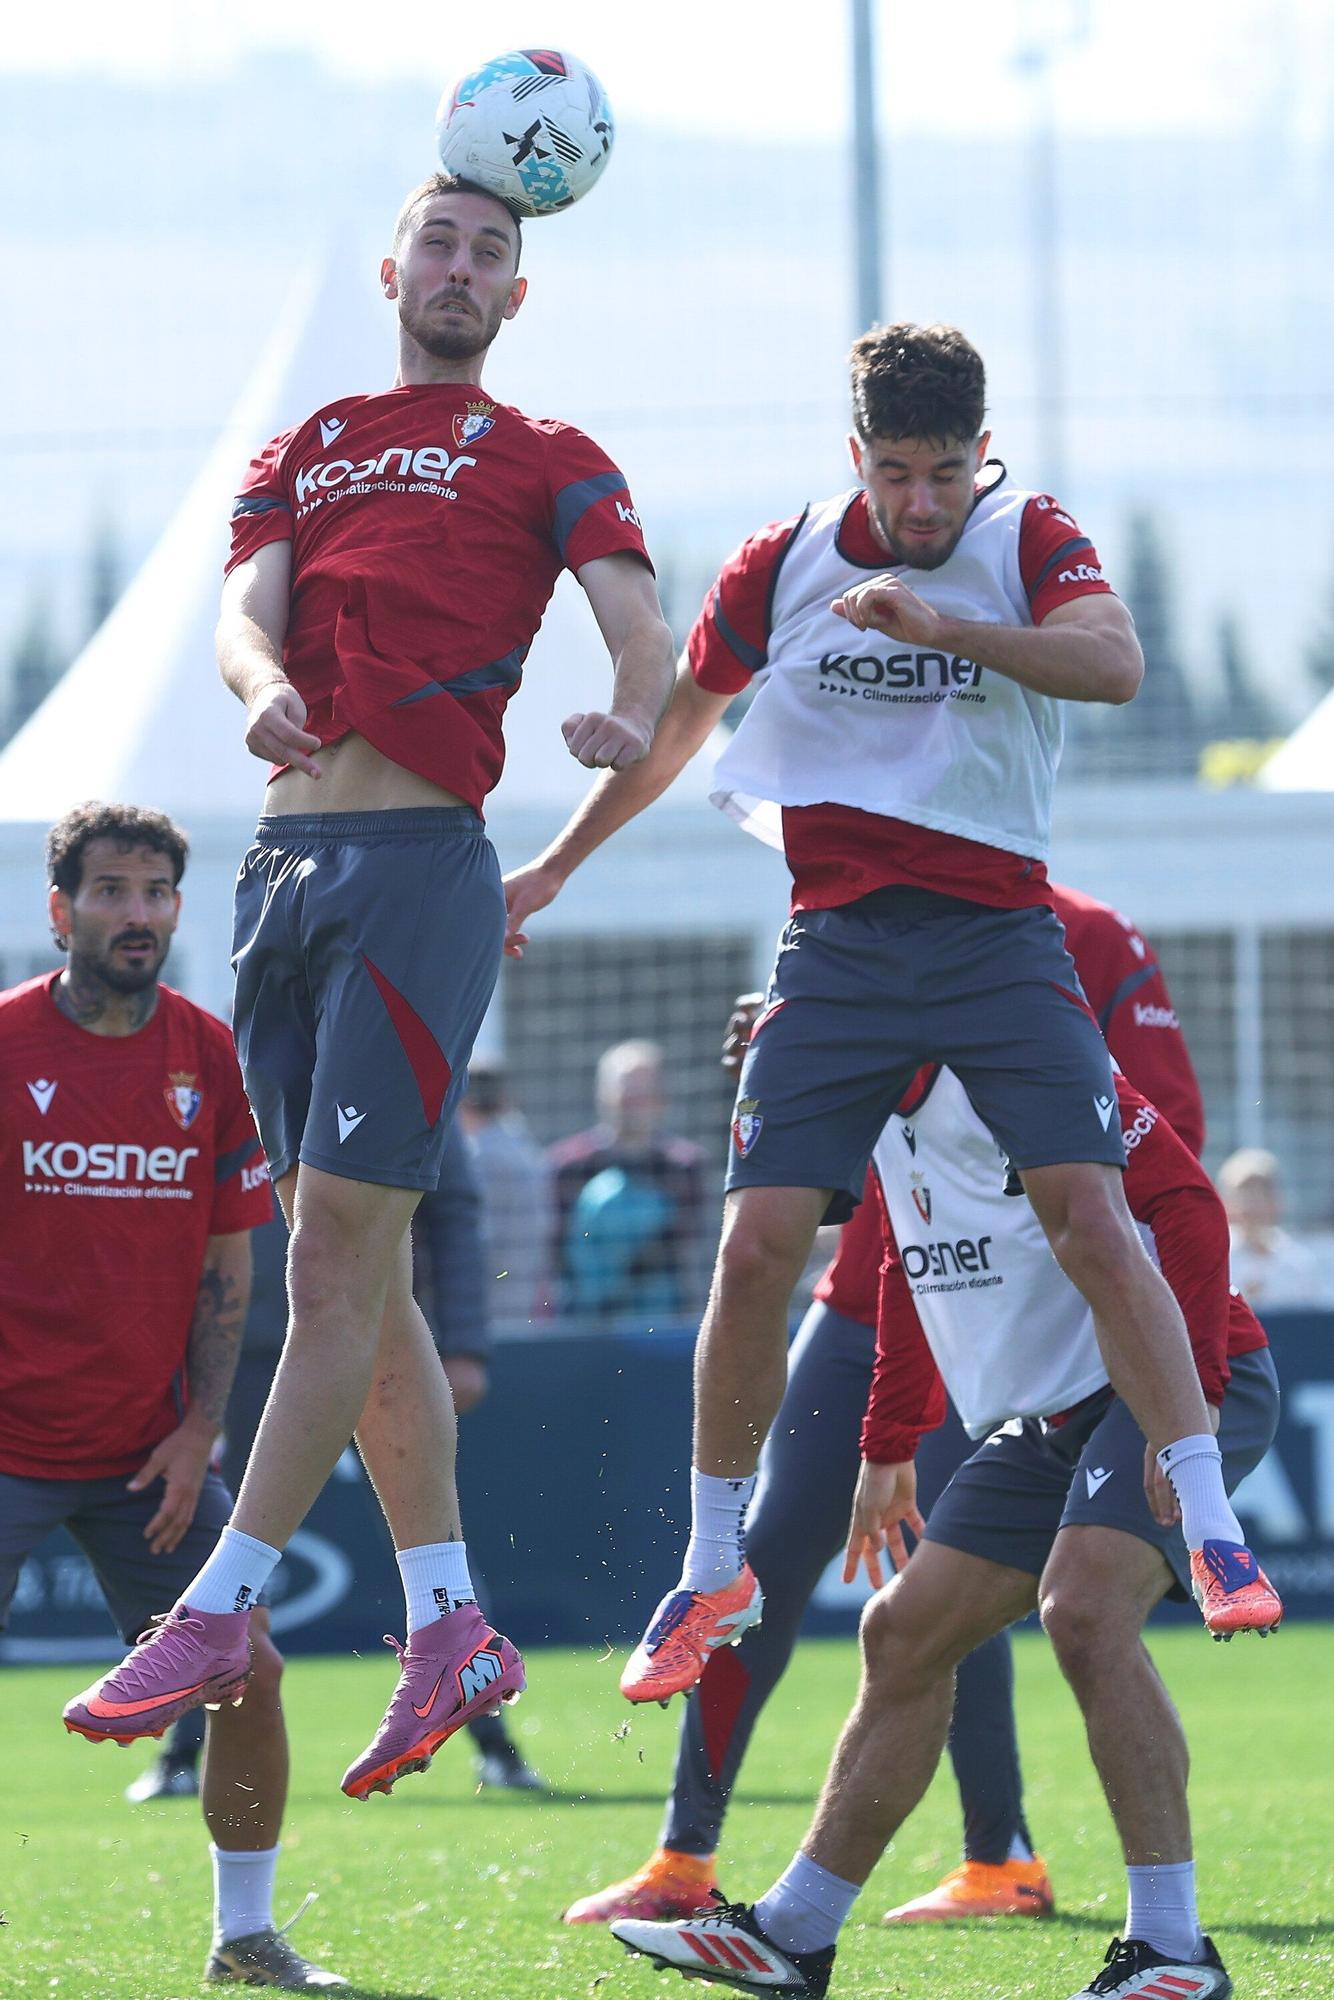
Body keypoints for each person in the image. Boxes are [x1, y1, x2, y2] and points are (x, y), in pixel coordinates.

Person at [504, 321, 1279, 1687]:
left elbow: (1112, 665)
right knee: (751, 1256)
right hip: (837, 949)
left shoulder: (1027, 535)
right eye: (892, 474)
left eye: (942, 473)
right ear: (849, 458)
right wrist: (559, 862)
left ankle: (1206, 1518)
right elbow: (683, 722)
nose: (918, 503)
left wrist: (946, 626)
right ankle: (707, 1567)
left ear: (982, 456)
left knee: (1094, 1220)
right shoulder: (781, 560)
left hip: (997, 936)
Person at [65, 173, 676, 1801]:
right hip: (278, 876)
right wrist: (264, 689)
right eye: (442, 244)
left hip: (419, 871)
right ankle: (447, 1621)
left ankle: (217, 1604)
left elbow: (644, 634)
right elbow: (240, 619)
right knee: (364, 1277)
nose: (463, 270)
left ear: (515, 295)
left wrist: (622, 714)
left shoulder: (550, 458)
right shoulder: (307, 445)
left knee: (329, 1268)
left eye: (496, 252)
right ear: (394, 268)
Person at [565, 882, 1208, 1930]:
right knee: (766, 1547)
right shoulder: (835, 916)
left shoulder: (1085, 932)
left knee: (949, 1562)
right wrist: (792, 1052)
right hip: (871, 1285)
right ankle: (684, 1853)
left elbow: (1165, 1136)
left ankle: (998, 1857)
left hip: (1000, 1304)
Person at [608, 1069, 1279, 2000]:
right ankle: (796, 1933)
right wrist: (887, 1446)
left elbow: (1193, 1205)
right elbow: (906, 1268)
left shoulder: (1026, 1057)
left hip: (1175, 1383)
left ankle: (1172, 1949)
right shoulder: (883, 1103)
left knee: (1081, 1611)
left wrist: (1193, 1399)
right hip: (1050, 1415)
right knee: (900, 1631)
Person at [1, 802, 343, 1991]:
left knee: (248, 1664)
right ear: (62, 910)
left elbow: (230, 1264)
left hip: (149, 1453)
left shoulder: (209, 1054)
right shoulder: (4, 1047)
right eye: (111, 892)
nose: (135, 913)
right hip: (6, 1443)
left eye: (154, 893)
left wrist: (201, 1429)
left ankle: (243, 1937)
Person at [130, 1122, 543, 1801]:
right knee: (224, 1538)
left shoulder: (395, 1055)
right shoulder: (245, 1060)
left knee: (424, 1526)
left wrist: (465, 1341)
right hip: (249, 1349)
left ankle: (495, 1743)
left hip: (374, 1341)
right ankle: (182, 1750)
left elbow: (454, 1212)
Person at [549, 1040, 708, 1324]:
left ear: (661, 1099)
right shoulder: (569, 1165)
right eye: (625, 1096)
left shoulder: (683, 1166)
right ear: (602, 1096)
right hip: (585, 1325)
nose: (632, 1107)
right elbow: (555, 1252)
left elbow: (691, 1252)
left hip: (666, 1325)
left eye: (642, 1096)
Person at [458, 1059, 552, 1336]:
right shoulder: (526, 1149)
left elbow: (479, 1241)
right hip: (525, 1299)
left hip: (490, 1308)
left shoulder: (480, 1158)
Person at [1216, 1147, 1326, 1309]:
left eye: (1262, 1191)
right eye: (1244, 1192)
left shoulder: (1298, 1261)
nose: (1253, 1202)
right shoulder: (1218, 1258)